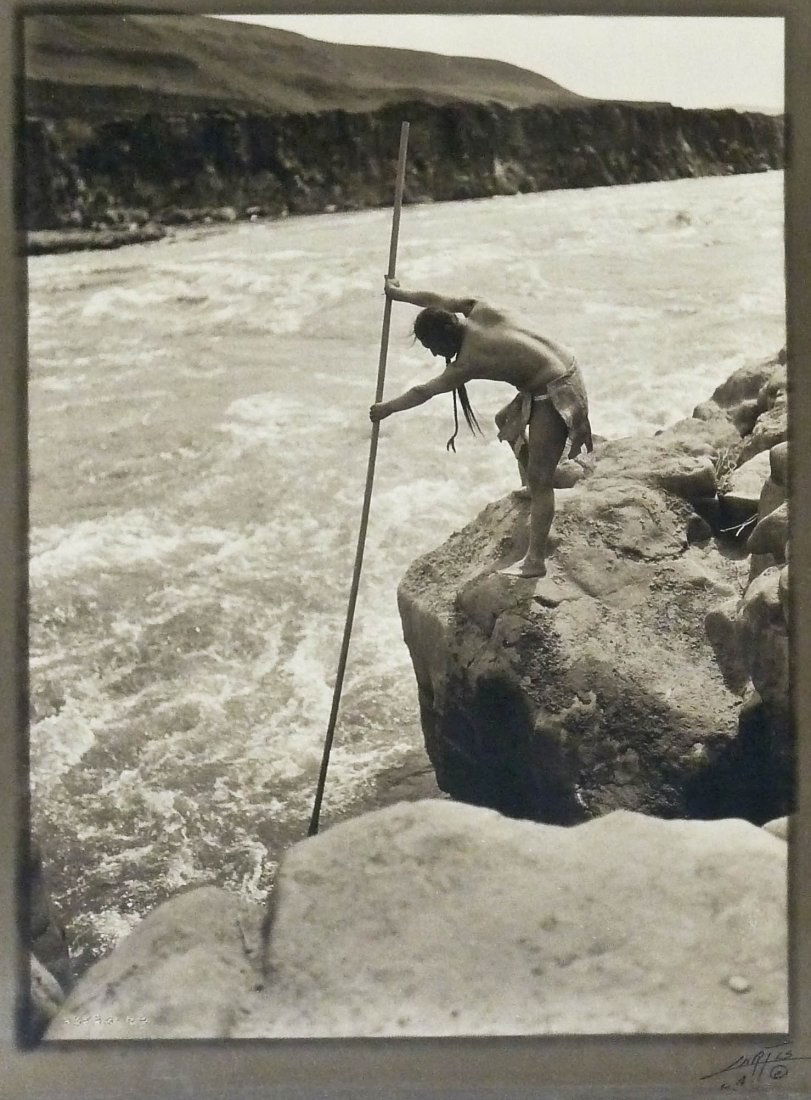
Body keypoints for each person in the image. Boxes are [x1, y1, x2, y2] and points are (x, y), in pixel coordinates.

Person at [370, 277, 593, 579]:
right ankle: (531, 485)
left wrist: (386, 409)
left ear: (443, 338)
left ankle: (535, 560)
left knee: (543, 480)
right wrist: (398, 294)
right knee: (506, 422)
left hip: (554, 393)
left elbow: (423, 392)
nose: (436, 356)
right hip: (566, 368)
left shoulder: (468, 362)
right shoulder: (478, 308)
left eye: (432, 347)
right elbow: (435, 297)